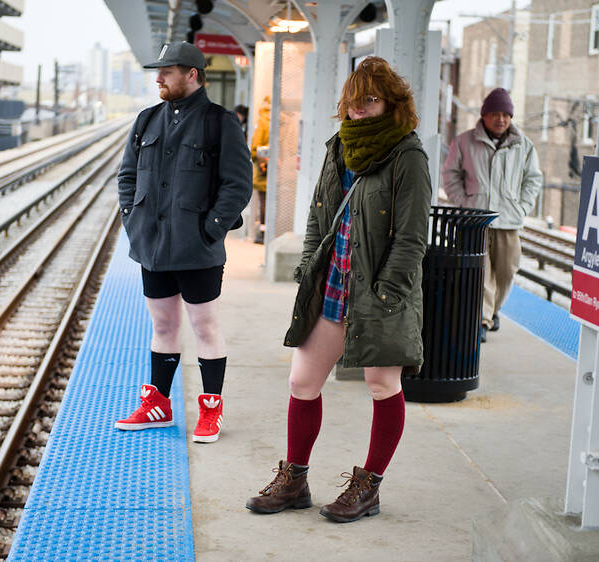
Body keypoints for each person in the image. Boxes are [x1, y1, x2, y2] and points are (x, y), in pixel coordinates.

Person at [245, 57, 432, 523]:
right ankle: (295, 480)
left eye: (369, 100)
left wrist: (388, 292)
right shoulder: (338, 148)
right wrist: (309, 264)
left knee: (381, 383)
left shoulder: (407, 155)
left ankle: (368, 488)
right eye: (353, 102)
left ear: (391, 102)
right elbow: (318, 215)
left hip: (380, 293)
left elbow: (412, 237)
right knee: (302, 382)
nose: (359, 111)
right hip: (332, 284)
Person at [115, 41, 252, 443]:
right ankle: (158, 404)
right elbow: (127, 177)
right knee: (163, 324)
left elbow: (237, 184)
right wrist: (132, 219)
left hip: (197, 248)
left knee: (204, 326)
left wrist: (210, 229)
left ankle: (211, 409)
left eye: (167, 71)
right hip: (153, 246)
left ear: (192, 74)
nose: (158, 78)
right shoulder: (146, 120)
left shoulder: (219, 121)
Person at [442, 87, 543, 343]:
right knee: (482, 273)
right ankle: (482, 321)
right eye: (495, 114)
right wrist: (464, 203)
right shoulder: (464, 141)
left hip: (510, 220)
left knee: (507, 271)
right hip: (476, 220)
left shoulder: (524, 146)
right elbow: (450, 175)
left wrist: (522, 206)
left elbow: (533, 179)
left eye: (506, 115)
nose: (501, 119)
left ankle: (493, 311)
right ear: (484, 115)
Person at [249, 96, 271, 244]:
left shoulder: (263, 121)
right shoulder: (288, 120)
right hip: (283, 172)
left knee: (263, 202)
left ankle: (262, 234)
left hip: (264, 170)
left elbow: (255, 148)